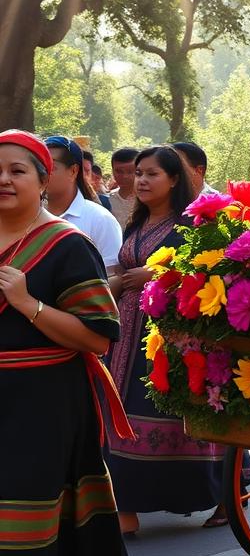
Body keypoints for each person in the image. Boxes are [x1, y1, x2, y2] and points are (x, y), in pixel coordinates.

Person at [0, 131, 131, 556]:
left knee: (24, 504)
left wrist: (27, 303)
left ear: (43, 180)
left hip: (46, 398)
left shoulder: (66, 244)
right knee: (63, 491)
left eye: (17, 171)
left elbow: (99, 336)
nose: (3, 180)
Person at [104, 146, 225, 532]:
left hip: (173, 336)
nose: (141, 180)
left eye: (152, 173)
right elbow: (123, 270)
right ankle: (125, 509)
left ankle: (224, 496)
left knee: (171, 412)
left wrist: (156, 279)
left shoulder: (191, 227)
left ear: (175, 179)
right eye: (138, 173)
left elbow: (209, 280)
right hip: (126, 334)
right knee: (119, 413)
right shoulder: (136, 224)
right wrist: (122, 282)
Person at [43, 137, 122, 275]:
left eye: (50, 167)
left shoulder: (100, 219)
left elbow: (113, 276)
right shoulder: (28, 216)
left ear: (73, 171)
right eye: (38, 166)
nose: (42, 173)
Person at [108, 147, 138, 231]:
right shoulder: (107, 200)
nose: (125, 176)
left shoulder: (150, 200)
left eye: (130, 171)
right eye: (119, 171)